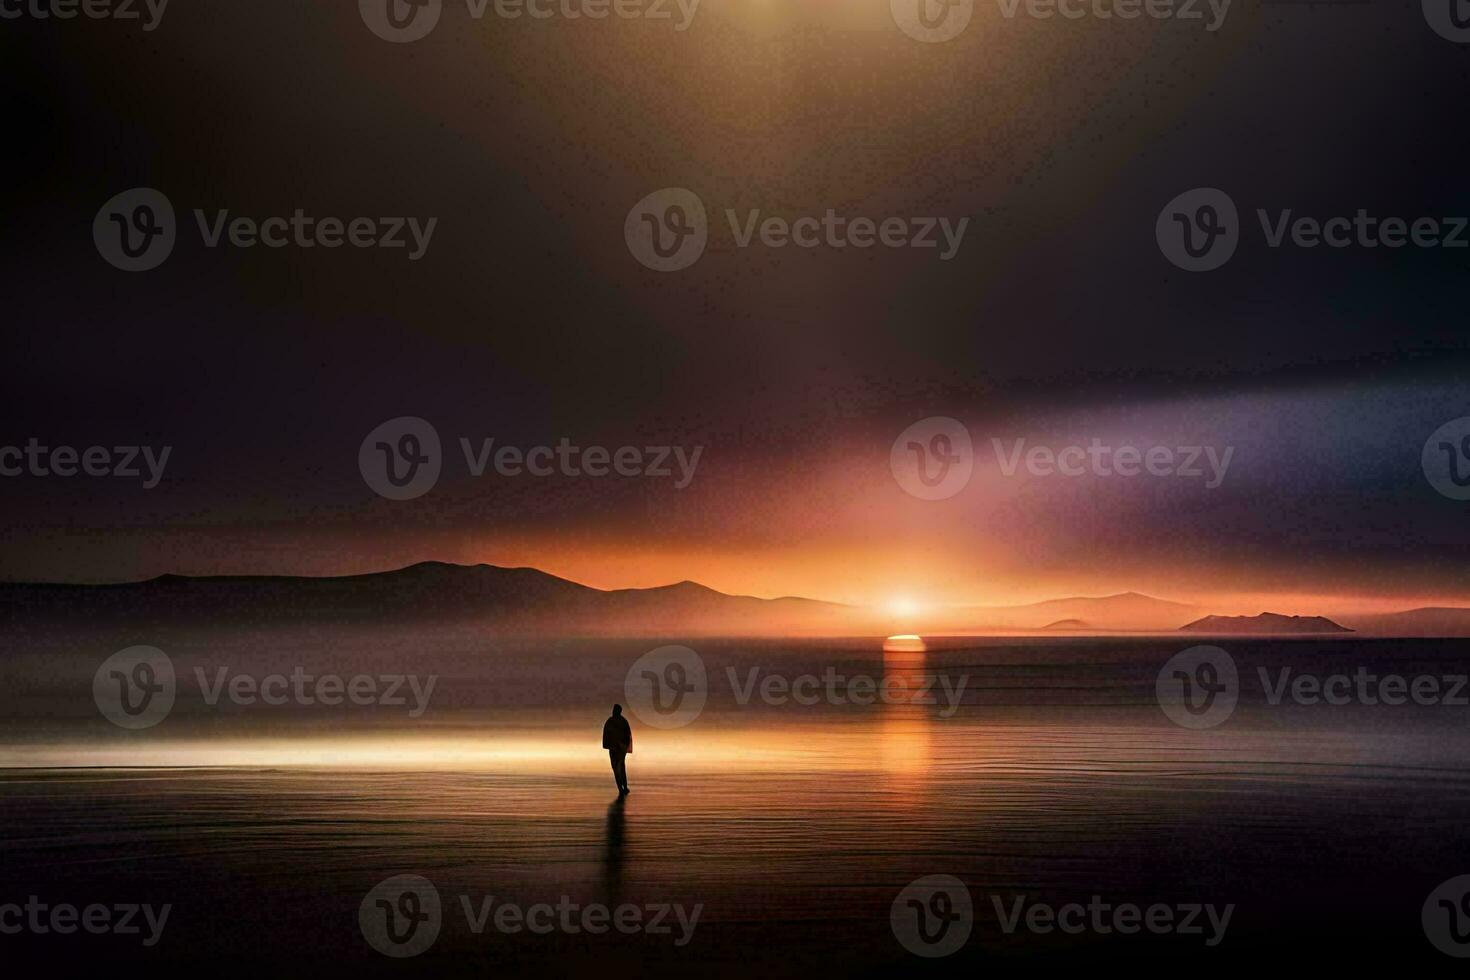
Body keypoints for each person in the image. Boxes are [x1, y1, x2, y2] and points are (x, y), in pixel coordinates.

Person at [602, 704, 632, 794]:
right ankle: (623, 788)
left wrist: (613, 746)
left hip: (615, 748)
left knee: (617, 768)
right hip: (619, 748)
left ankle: (622, 788)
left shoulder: (611, 721)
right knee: (620, 767)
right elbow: (628, 735)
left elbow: (607, 736)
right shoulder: (622, 721)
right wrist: (624, 746)